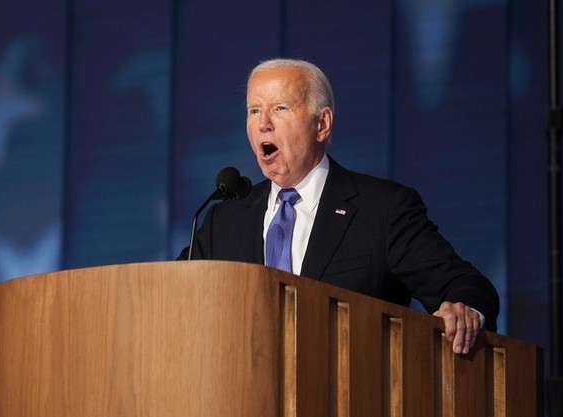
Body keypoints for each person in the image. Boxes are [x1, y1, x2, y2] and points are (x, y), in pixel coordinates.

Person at [178, 58, 499, 355]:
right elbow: (172, 296)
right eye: (253, 111)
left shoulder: (382, 211)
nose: (264, 124)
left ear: (322, 124)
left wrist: (464, 310)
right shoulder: (224, 219)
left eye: (280, 108)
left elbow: (465, 286)